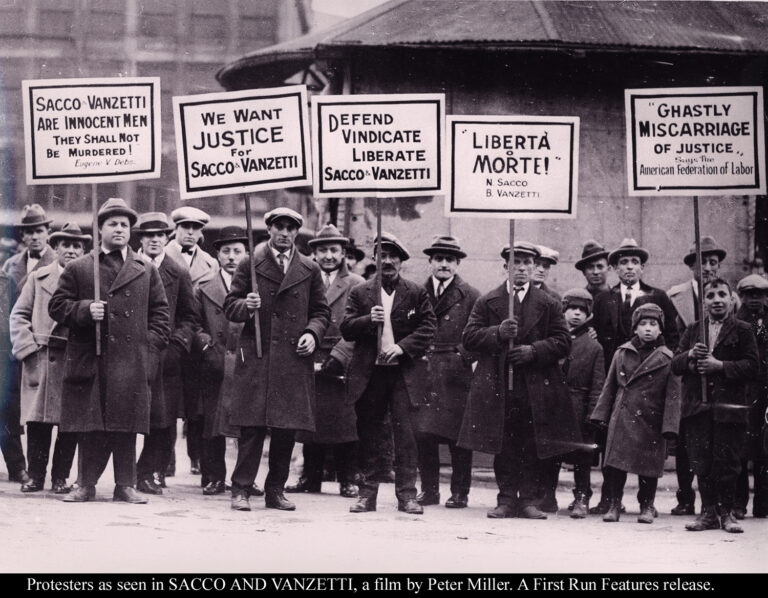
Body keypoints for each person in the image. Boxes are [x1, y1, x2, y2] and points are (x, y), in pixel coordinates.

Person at [48, 198, 170, 503]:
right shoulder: (80, 267)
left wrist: (148, 351)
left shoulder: (145, 269)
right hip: (92, 357)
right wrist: (86, 309)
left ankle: (125, 484)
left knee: (126, 424)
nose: (119, 229)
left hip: (131, 361)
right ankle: (85, 484)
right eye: (113, 224)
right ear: (99, 228)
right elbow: (57, 306)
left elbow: (161, 315)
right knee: (91, 423)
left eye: (124, 225)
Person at [457, 242, 579, 520]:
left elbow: (563, 341)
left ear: (535, 267)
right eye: (516, 263)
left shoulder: (550, 303)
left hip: (536, 385)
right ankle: (507, 498)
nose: (522, 268)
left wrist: (534, 351)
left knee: (532, 443)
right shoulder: (487, 301)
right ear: (506, 267)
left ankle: (529, 500)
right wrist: (498, 332)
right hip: (500, 384)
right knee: (505, 443)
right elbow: (469, 337)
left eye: (527, 263)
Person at [224, 207, 330, 512]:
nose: (284, 233)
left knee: (286, 429)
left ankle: (276, 490)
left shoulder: (309, 269)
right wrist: (246, 304)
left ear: (297, 232)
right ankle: (241, 489)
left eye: (290, 228)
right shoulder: (251, 264)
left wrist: (312, 333)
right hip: (258, 357)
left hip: (293, 360)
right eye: (279, 227)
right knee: (252, 428)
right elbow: (230, 305)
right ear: (269, 229)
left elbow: (321, 312)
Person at [342, 232, 436, 515]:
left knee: (405, 434)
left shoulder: (416, 292)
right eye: (383, 255)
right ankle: (367, 494)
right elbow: (346, 328)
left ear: (402, 262)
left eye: (394, 256)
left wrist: (401, 347)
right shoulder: (361, 292)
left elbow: (428, 328)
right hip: (370, 375)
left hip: (402, 375)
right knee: (369, 432)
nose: (388, 261)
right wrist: (368, 320)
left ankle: (407, 495)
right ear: (374, 259)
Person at [590, 237, 679, 514]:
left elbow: (673, 338)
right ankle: (610, 499)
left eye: (635, 262)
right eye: (624, 262)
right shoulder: (604, 298)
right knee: (613, 445)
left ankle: (646, 504)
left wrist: (661, 363)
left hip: (651, 382)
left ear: (642, 267)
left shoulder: (658, 297)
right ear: (615, 268)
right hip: (618, 379)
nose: (630, 268)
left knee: (646, 451)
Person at [672, 278, 758, 533]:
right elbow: (675, 365)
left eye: (722, 294)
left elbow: (753, 366)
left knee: (728, 462)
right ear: (705, 302)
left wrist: (719, 366)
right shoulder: (693, 330)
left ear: (732, 299)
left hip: (728, 408)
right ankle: (708, 513)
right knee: (702, 461)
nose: (717, 299)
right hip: (698, 408)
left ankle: (727, 513)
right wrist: (690, 357)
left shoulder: (743, 330)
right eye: (711, 295)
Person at [9, 223, 90, 493]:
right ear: (55, 248)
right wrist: (28, 349)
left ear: (84, 250)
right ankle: (35, 475)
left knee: (70, 425)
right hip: (41, 358)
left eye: (77, 245)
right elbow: (19, 314)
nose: (71, 250)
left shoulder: (92, 281)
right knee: (38, 423)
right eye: (65, 244)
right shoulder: (39, 277)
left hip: (74, 358)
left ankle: (60, 478)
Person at [288, 224, 364, 498]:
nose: (329, 255)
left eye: (334, 250)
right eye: (322, 250)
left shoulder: (356, 284)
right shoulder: (304, 279)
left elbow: (360, 327)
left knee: (344, 423)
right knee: (311, 422)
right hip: (312, 354)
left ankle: (348, 478)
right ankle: (310, 477)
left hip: (343, 359)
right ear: (314, 254)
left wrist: (340, 356)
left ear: (344, 253)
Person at [133, 212, 198, 495]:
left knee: (161, 419)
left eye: (160, 235)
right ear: (141, 239)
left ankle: (148, 472)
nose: (155, 240)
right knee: (122, 414)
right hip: (128, 353)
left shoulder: (178, 271)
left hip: (164, 356)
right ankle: (120, 474)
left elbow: (189, 316)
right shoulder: (126, 265)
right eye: (149, 235)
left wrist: (176, 346)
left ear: (167, 237)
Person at [413, 235, 479, 509]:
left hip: (455, 375)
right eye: (438, 259)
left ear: (457, 264)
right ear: (430, 262)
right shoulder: (417, 292)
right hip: (425, 369)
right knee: (423, 434)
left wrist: (462, 357)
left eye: (449, 260)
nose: (443, 264)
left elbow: (479, 334)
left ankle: (460, 492)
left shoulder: (472, 295)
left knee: (458, 438)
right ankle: (429, 491)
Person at [666, 236, 728, 516]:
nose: (708, 267)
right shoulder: (674, 296)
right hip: (686, 376)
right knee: (685, 440)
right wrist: (689, 360)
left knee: (716, 441)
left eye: (713, 262)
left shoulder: (730, 297)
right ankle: (684, 497)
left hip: (717, 376)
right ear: (692, 265)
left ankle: (716, 504)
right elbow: (669, 337)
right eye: (702, 262)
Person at [1, 204, 57, 484]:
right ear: (23, 236)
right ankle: (19, 466)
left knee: (41, 413)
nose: (35, 237)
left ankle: (41, 472)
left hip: (45, 349)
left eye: (39, 231)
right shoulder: (11, 266)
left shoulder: (59, 263)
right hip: (16, 347)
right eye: (29, 232)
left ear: (48, 232)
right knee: (11, 408)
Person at [165, 206, 218, 477]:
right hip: (169, 338)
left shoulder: (210, 263)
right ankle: (167, 458)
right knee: (168, 403)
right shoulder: (160, 257)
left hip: (197, 342)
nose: (190, 233)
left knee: (196, 403)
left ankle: (196, 456)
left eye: (196, 228)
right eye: (185, 227)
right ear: (175, 229)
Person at [195, 226, 248, 496]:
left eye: (237, 251)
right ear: (217, 255)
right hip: (215, 361)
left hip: (246, 361)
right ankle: (213, 477)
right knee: (212, 423)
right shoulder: (205, 287)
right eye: (226, 251)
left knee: (248, 424)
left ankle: (245, 479)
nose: (231, 257)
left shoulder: (256, 287)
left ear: (246, 254)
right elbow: (193, 322)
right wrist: (205, 344)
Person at [558, 288, 605, 518]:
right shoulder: (554, 338)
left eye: (582, 311)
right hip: (556, 405)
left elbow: (598, 384)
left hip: (580, 406)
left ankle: (582, 496)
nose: (576, 314)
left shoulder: (594, 346)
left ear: (589, 315)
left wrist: (594, 414)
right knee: (552, 453)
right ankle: (546, 494)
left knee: (582, 457)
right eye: (571, 309)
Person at [733, 274, 768, 518]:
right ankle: (739, 503)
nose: (754, 300)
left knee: (765, 451)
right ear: (742, 297)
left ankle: (763, 504)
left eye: (759, 295)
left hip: (765, 394)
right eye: (749, 295)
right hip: (743, 393)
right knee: (741, 451)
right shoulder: (735, 323)